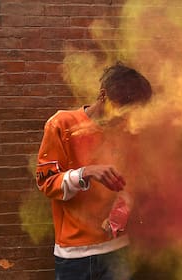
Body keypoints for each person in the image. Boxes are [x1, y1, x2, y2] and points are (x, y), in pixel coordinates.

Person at [35, 62, 152, 280]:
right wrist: (85, 172)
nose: (125, 118)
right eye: (121, 109)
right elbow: (46, 183)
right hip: (74, 254)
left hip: (118, 251)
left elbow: (132, 184)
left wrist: (121, 211)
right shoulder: (61, 124)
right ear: (103, 95)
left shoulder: (127, 132)